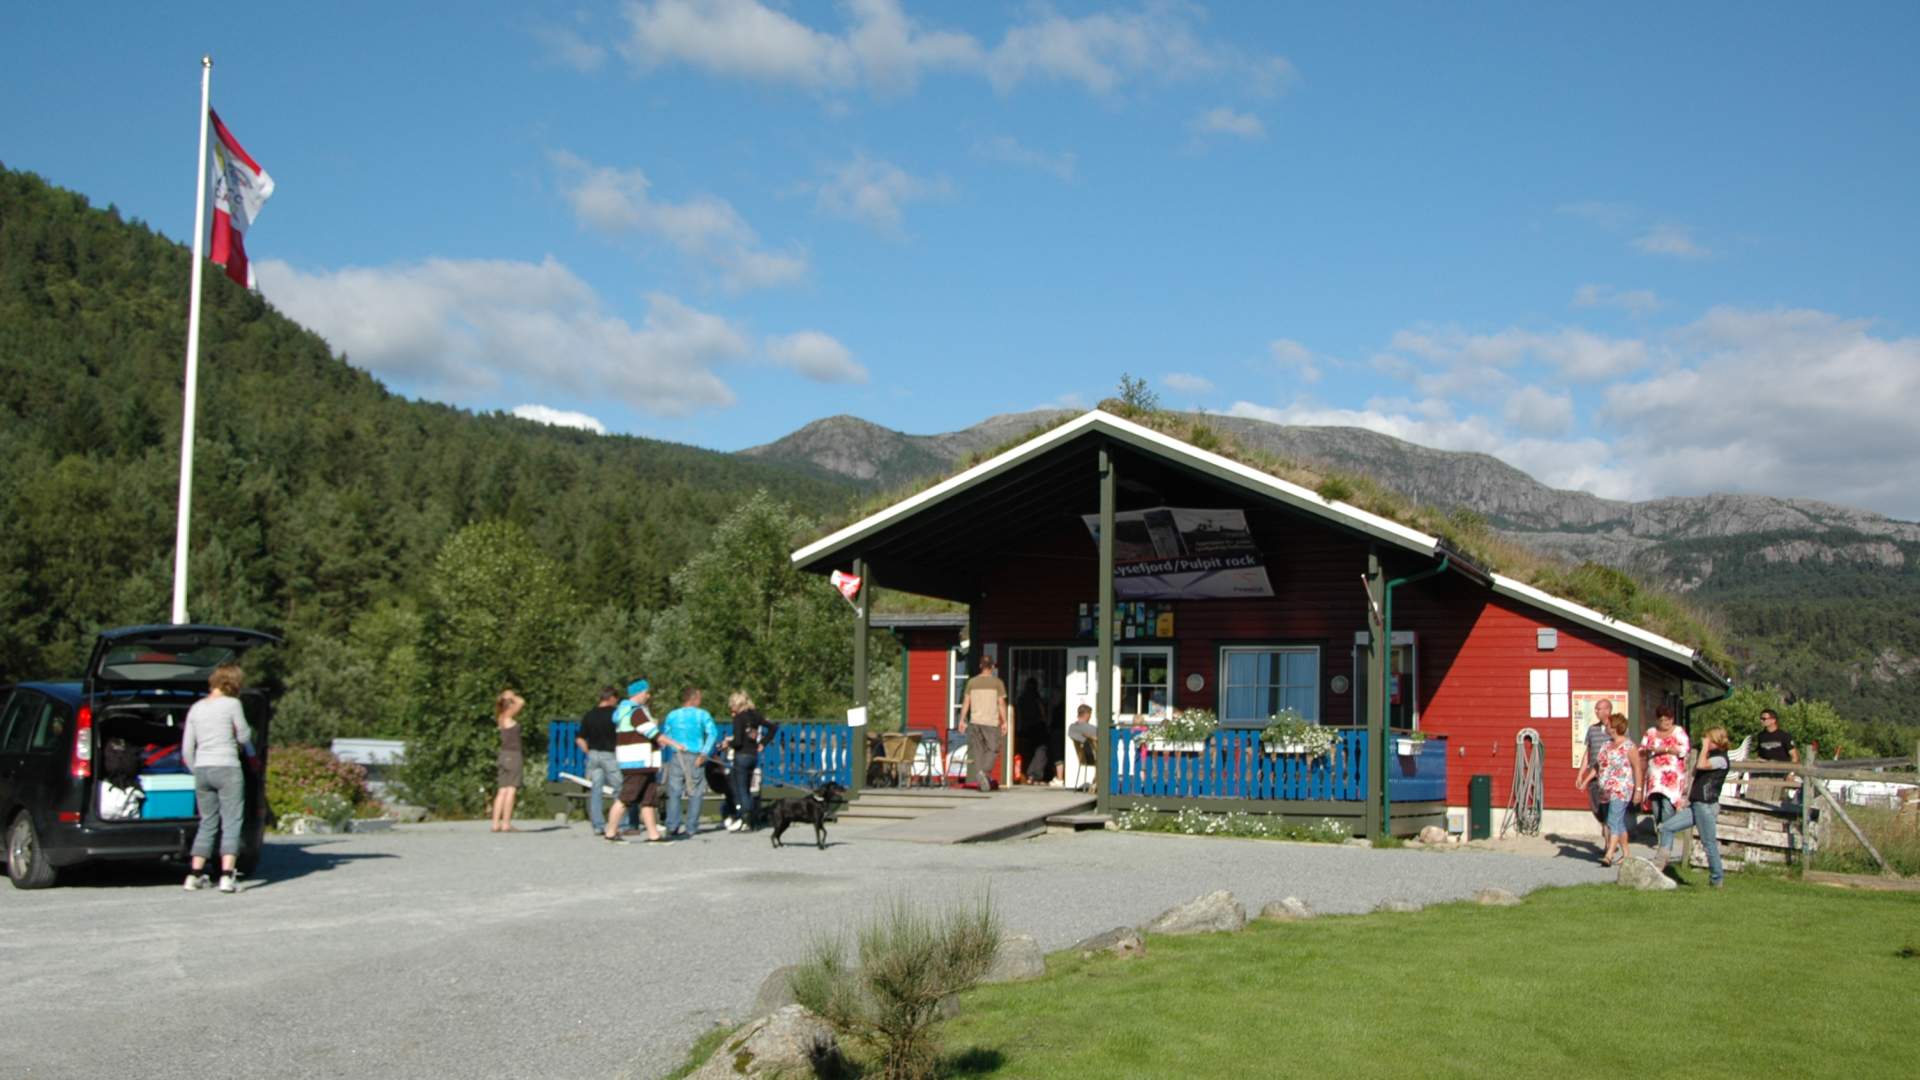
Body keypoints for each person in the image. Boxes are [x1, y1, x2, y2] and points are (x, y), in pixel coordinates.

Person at [181, 663, 254, 893]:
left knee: (207, 822)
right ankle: (227, 876)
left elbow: (186, 749)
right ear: (234, 683)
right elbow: (244, 736)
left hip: (203, 769)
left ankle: (194, 875)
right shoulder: (233, 704)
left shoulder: (196, 708)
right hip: (228, 767)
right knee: (231, 822)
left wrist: (195, 770)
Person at [1656, 727, 1732, 887]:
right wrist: (1687, 798)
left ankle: (1717, 879)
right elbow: (1696, 773)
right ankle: (1659, 865)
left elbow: (1702, 765)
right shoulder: (1711, 756)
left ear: (1716, 740)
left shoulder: (1721, 759)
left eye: (1708, 739)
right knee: (1666, 828)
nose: (1705, 741)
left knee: (1708, 843)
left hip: (1706, 805)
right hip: (1697, 804)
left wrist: (1704, 748)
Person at [604, 680, 662, 844]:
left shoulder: (634, 711)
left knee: (648, 800)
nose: (648, 696)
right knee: (625, 798)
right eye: (646, 692)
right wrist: (673, 743)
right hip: (636, 762)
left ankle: (654, 835)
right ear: (639, 693)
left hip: (646, 763)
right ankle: (610, 833)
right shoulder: (635, 712)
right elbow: (652, 732)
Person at [660, 687, 719, 837]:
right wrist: (705, 752)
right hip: (695, 755)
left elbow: (666, 735)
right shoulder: (702, 715)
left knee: (674, 792)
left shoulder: (672, 715)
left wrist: (673, 746)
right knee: (696, 792)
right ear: (694, 699)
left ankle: (672, 826)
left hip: (677, 755)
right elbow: (712, 733)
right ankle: (691, 827)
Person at [1595, 712, 1644, 868]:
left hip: (1621, 788)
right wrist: (1585, 778)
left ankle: (1609, 854)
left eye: (1608, 725)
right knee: (1618, 822)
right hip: (1605, 789)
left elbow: (1637, 768)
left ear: (1615, 727)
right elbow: (1598, 765)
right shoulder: (1606, 745)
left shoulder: (1629, 746)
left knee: (1612, 820)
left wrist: (1638, 789)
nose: (1606, 727)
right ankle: (1627, 854)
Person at [723, 691, 771, 832]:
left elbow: (738, 742)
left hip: (741, 756)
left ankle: (745, 820)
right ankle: (752, 820)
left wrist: (727, 744)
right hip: (753, 756)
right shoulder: (755, 716)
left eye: (732, 706)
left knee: (741, 790)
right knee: (748, 790)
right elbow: (773, 727)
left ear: (737, 705)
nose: (731, 709)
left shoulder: (739, 718)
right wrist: (763, 742)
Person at [577, 686, 623, 835]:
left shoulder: (589, 715)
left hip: (593, 755)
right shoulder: (615, 714)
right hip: (609, 755)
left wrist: (588, 751)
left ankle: (598, 825)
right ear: (612, 698)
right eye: (616, 699)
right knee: (620, 789)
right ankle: (622, 823)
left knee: (596, 790)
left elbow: (580, 739)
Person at [958, 655, 1007, 790]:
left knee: (978, 751)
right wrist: (1005, 722)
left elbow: (966, 702)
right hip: (991, 722)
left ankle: (981, 779)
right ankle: (984, 773)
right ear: (993, 667)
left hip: (975, 722)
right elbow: (1001, 704)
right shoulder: (997, 683)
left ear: (980, 666)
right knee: (993, 749)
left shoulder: (972, 682)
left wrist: (962, 720)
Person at [1639, 704, 1691, 831]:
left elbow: (1684, 750)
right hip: (1654, 777)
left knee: (1667, 805)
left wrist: (1665, 749)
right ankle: (1660, 831)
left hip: (1671, 778)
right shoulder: (1651, 732)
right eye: (1663, 720)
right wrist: (1648, 750)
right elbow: (1642, 750)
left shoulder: (1678, 731)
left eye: (1669, 719)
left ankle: (1666, 833)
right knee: (1656, 806)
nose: (1667, 722)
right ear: (1657, 720)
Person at [1573, 698, 1616, 835]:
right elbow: (1588, 752)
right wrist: (1580, 774)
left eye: (1599, 709)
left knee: (1608, 809)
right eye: (1595, 709)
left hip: (1611, 776)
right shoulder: (1592, 729)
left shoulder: (1617, 729)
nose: (1596, 711)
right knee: (1597, 808)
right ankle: (1606, 829)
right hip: (1594, 777)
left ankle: (1609, 841)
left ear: (1608, 710)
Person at [490, 689, 526, 833]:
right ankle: (506, 823)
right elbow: (521, 701)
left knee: (502, 790)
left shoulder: (500, 717)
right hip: (513, 755)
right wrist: (512, 696)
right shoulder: (508, 715)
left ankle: (495, 823)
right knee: (511, 790)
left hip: (503, 755)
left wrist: (506, 696)